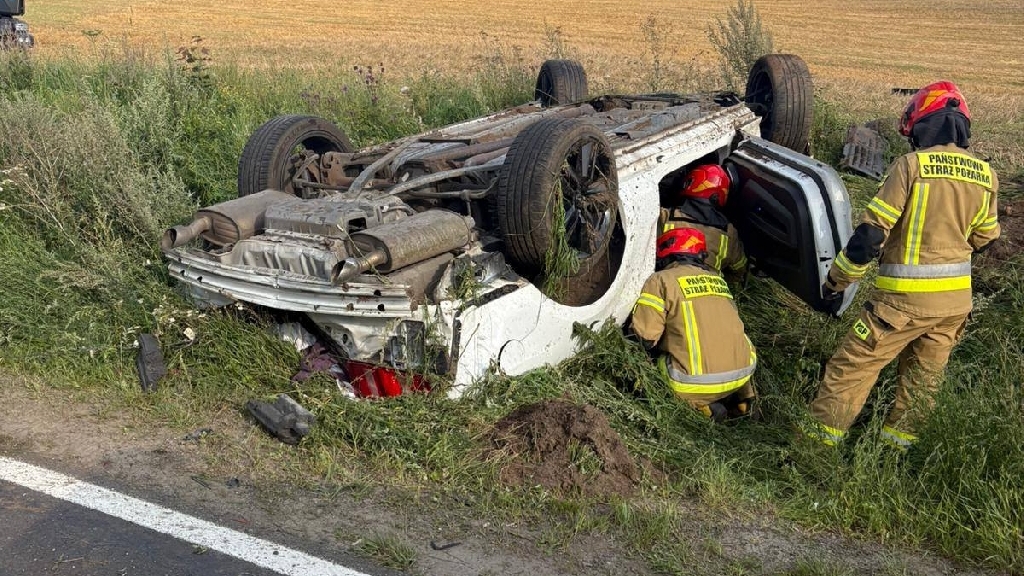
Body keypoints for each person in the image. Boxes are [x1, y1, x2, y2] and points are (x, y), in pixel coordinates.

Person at [804, 80, 1000, 450]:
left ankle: (814, 450)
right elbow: (985, 238)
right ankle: (892, 455)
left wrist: (837, 281)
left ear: (923, 126)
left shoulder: (911, 166)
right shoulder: (986, 175)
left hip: (900, 305)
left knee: (851, 370)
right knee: (922, 384)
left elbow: (870, 237)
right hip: (955, 307)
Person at [631, 227, 757, 421]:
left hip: (692, 383)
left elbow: (645, 337)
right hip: (743, 373)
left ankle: (704, 408)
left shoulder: (660, 280)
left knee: (659, 363)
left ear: (664, 256)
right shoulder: (719, 281)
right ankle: (744, 399)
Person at [659, 164, 748, 275]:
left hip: (668, 283)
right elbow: (740, 268)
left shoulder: (665, 216)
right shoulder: (729, 232)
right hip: (710, 287)